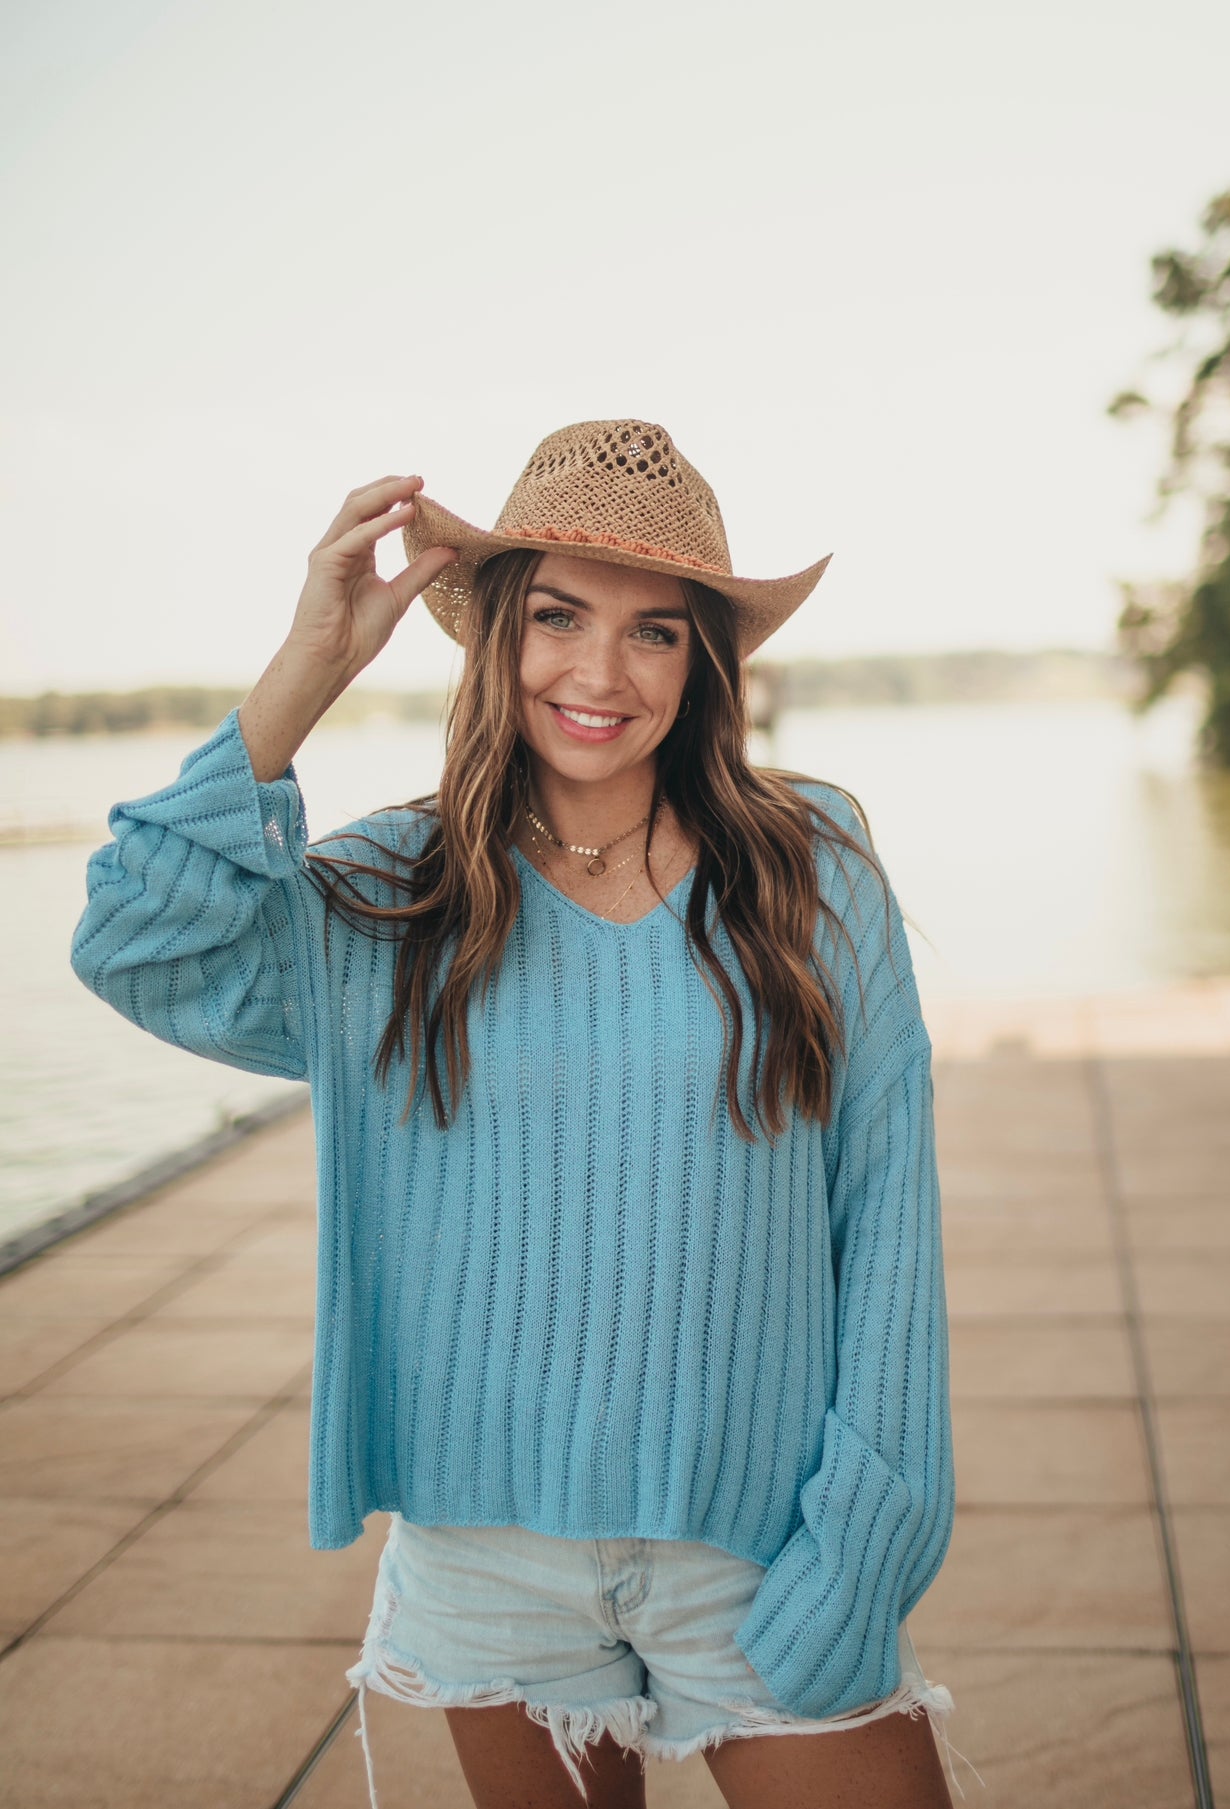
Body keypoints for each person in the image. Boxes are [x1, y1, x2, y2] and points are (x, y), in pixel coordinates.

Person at [70, 419, 973, 1809]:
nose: (599, 674)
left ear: (704, 660)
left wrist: (867, 1540)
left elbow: (888, 1220)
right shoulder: (393, 893)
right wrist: (308, 667)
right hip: (487, 1564)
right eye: (557, 616)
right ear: (498, 633)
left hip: (763, 1536)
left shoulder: (815, 868)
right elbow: (138, 946)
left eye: (654, 632)